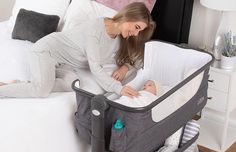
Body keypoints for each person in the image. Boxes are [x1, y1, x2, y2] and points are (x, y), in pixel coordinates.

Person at [0, 2, 155, 98]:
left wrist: (125, 67)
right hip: (46, 51)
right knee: (41, 90)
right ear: (127, 17)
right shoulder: (95, 29)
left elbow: (139, 57)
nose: (136, 33)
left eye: (139, 31)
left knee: (71, 84)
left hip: (63, 64)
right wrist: (119, 89)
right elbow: (95, 68)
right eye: (136, 28)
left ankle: (19, 85)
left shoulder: (122, 38)